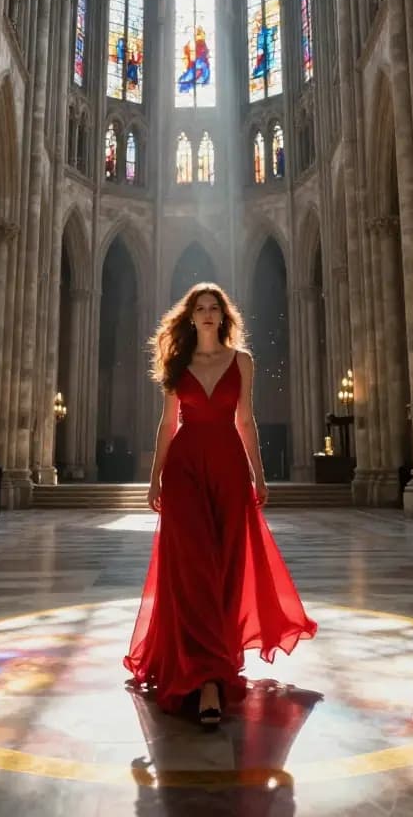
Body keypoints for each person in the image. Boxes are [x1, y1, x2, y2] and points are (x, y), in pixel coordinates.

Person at [123, 283, 316, 730]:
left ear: (223, 316)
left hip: (229, 466)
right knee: (193, 570)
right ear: (190, 317)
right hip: (186, 468)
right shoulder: (177, 363)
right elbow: (168, 423)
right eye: (200, 308)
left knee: (225, 567)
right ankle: (207, 679)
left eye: (214, 308)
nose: (208, 314)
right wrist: (154, 478)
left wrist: (260, 474)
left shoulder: (243, 361)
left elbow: (245, 420)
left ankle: (211, 665)